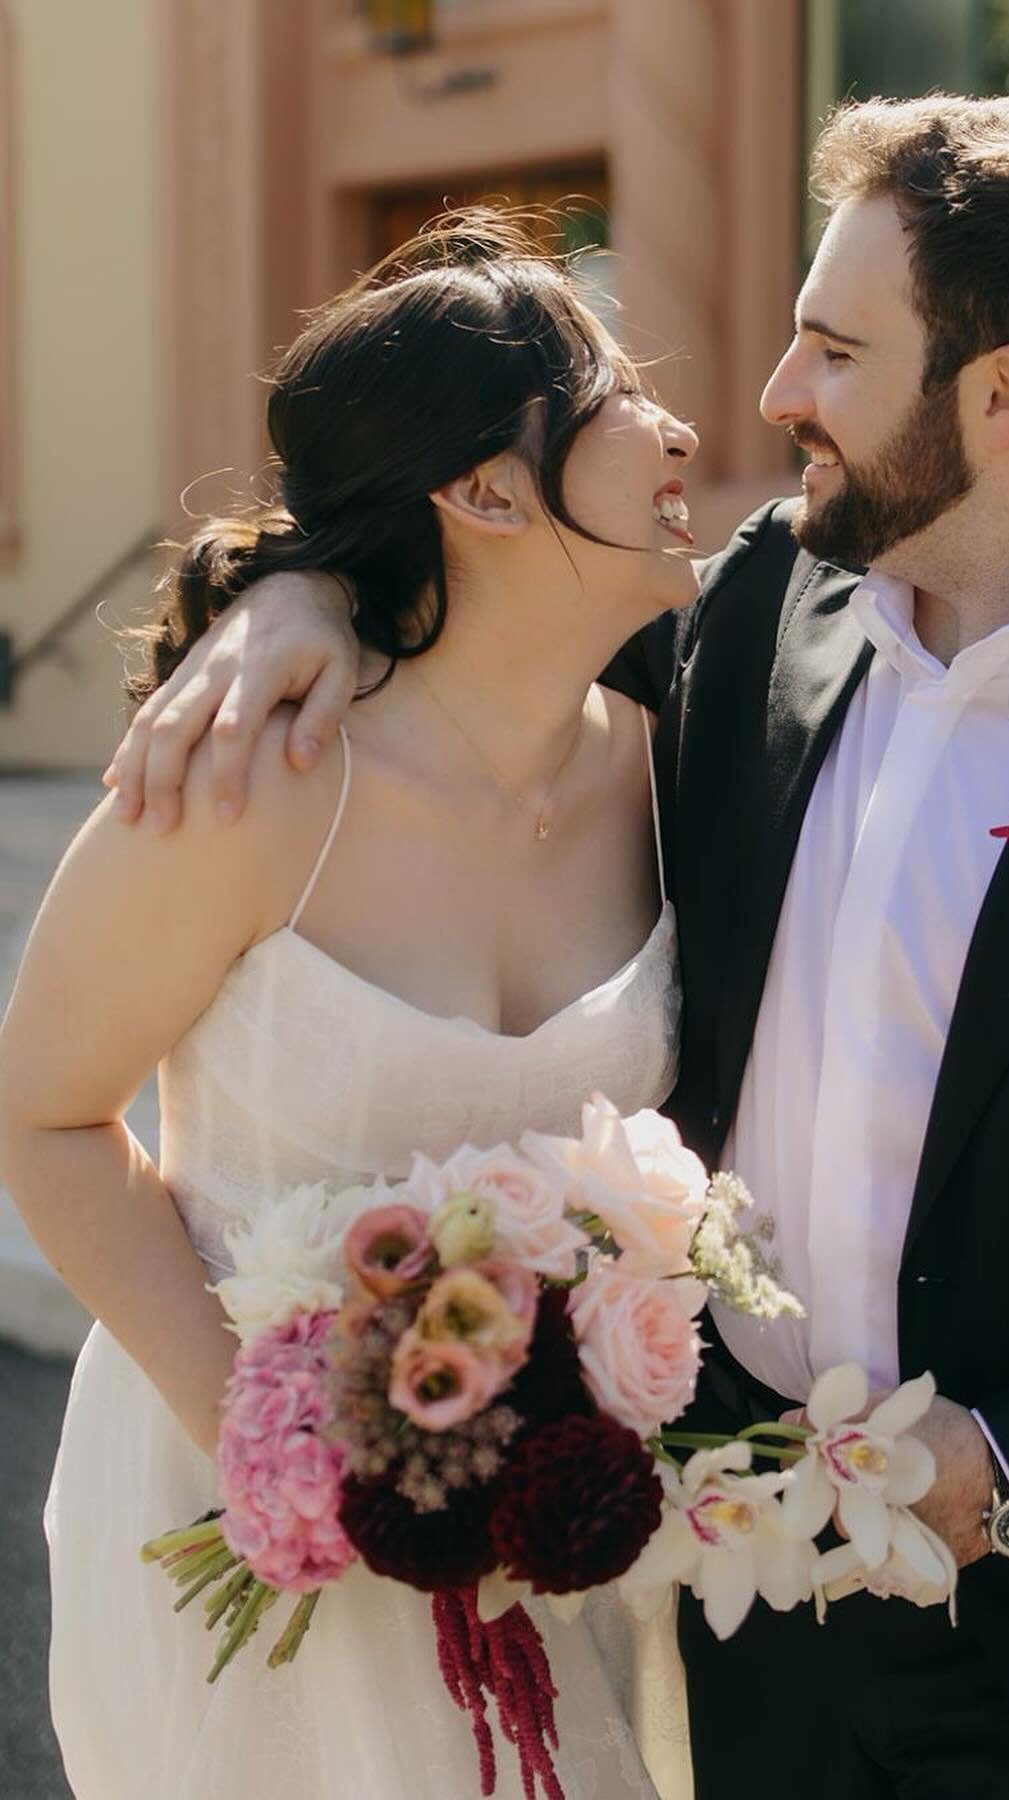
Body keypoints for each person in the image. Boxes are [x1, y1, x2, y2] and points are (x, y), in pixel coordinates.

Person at [101, 97, 1009, 1800]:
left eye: (831, 350)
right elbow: (488, 623)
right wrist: (312, 598)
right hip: (743, 1615)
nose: (773, 398)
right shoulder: (749, 615)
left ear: (1003, 396)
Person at [0, 210, 702, 1799]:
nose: (679, 430)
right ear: (482, 493)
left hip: (556, 1532)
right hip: (247, 1536)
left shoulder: (676, 754)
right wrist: (276, 1455)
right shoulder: (250, 780)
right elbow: (41, 1115)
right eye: (614, 397)